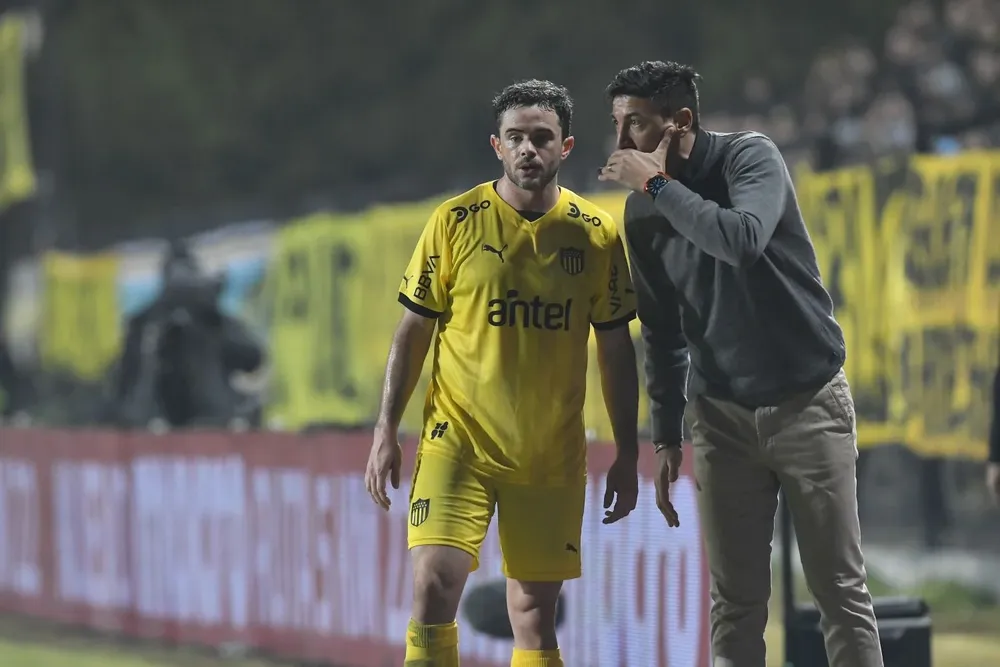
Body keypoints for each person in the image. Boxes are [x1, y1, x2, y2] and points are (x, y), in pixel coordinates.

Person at [597, 60, 884, 667]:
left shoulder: (749, 158)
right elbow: (663, 329)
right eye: (617, 126)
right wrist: (668, 431)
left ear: (681, 122)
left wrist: (657, 186)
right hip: (721, 416)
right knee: (735, 603)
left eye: (637, 126)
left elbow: (741, 241)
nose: (623, 146)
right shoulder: (642, 214)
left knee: (839, 591)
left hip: (807, 399)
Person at [364, 79, 640, 667]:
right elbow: (412, 330)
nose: (528, 150)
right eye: (515, 137)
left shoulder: (596, 235)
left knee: (535, 615)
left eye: (541, 138)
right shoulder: (454, 221)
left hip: (549, 451)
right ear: (497, 144)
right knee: (433, 586)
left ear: (566, 147)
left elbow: (615, 349)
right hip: (457, 441)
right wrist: (386, 427)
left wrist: (628, 450)